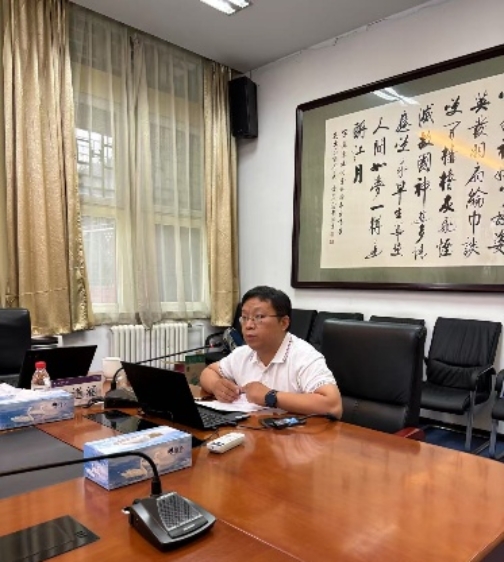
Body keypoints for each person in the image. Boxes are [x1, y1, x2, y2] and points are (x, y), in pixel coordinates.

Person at [200, 286, 342, 417]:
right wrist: (216, 386)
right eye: (245, 317)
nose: (248, 325)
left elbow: (333, 406)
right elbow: (209, 372)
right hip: (251, 430)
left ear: (284, 323)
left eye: (259, 317)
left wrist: (270, 396)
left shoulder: (304, 356)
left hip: (293, 434)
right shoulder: (243, 353)